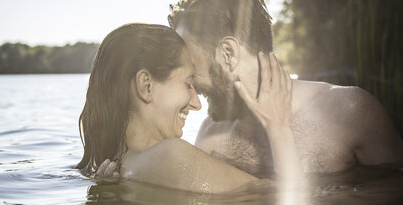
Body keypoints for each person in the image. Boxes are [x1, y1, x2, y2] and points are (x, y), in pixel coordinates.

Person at [165, 0, 403, 174]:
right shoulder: (210, 137)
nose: (192, 93)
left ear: (228, 53)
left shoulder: (350, 110)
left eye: (191, 67)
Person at [76, 23, 301, 193]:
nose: (197, 103)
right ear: (146, 85)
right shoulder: (171, 156)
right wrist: (279, 128)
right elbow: (291, 199)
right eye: (188, 83)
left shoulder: (111, 168)